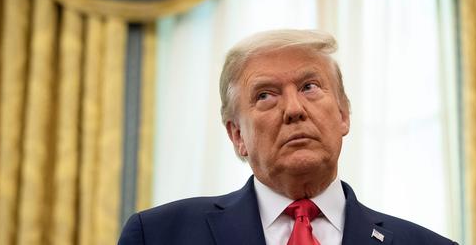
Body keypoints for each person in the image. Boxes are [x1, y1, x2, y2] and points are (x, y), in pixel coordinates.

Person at [118, 29, 457, 245]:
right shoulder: (159, 236)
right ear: (237, 135)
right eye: (266, 95)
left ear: (343, 115)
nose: (294, 109)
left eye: (310, 87)